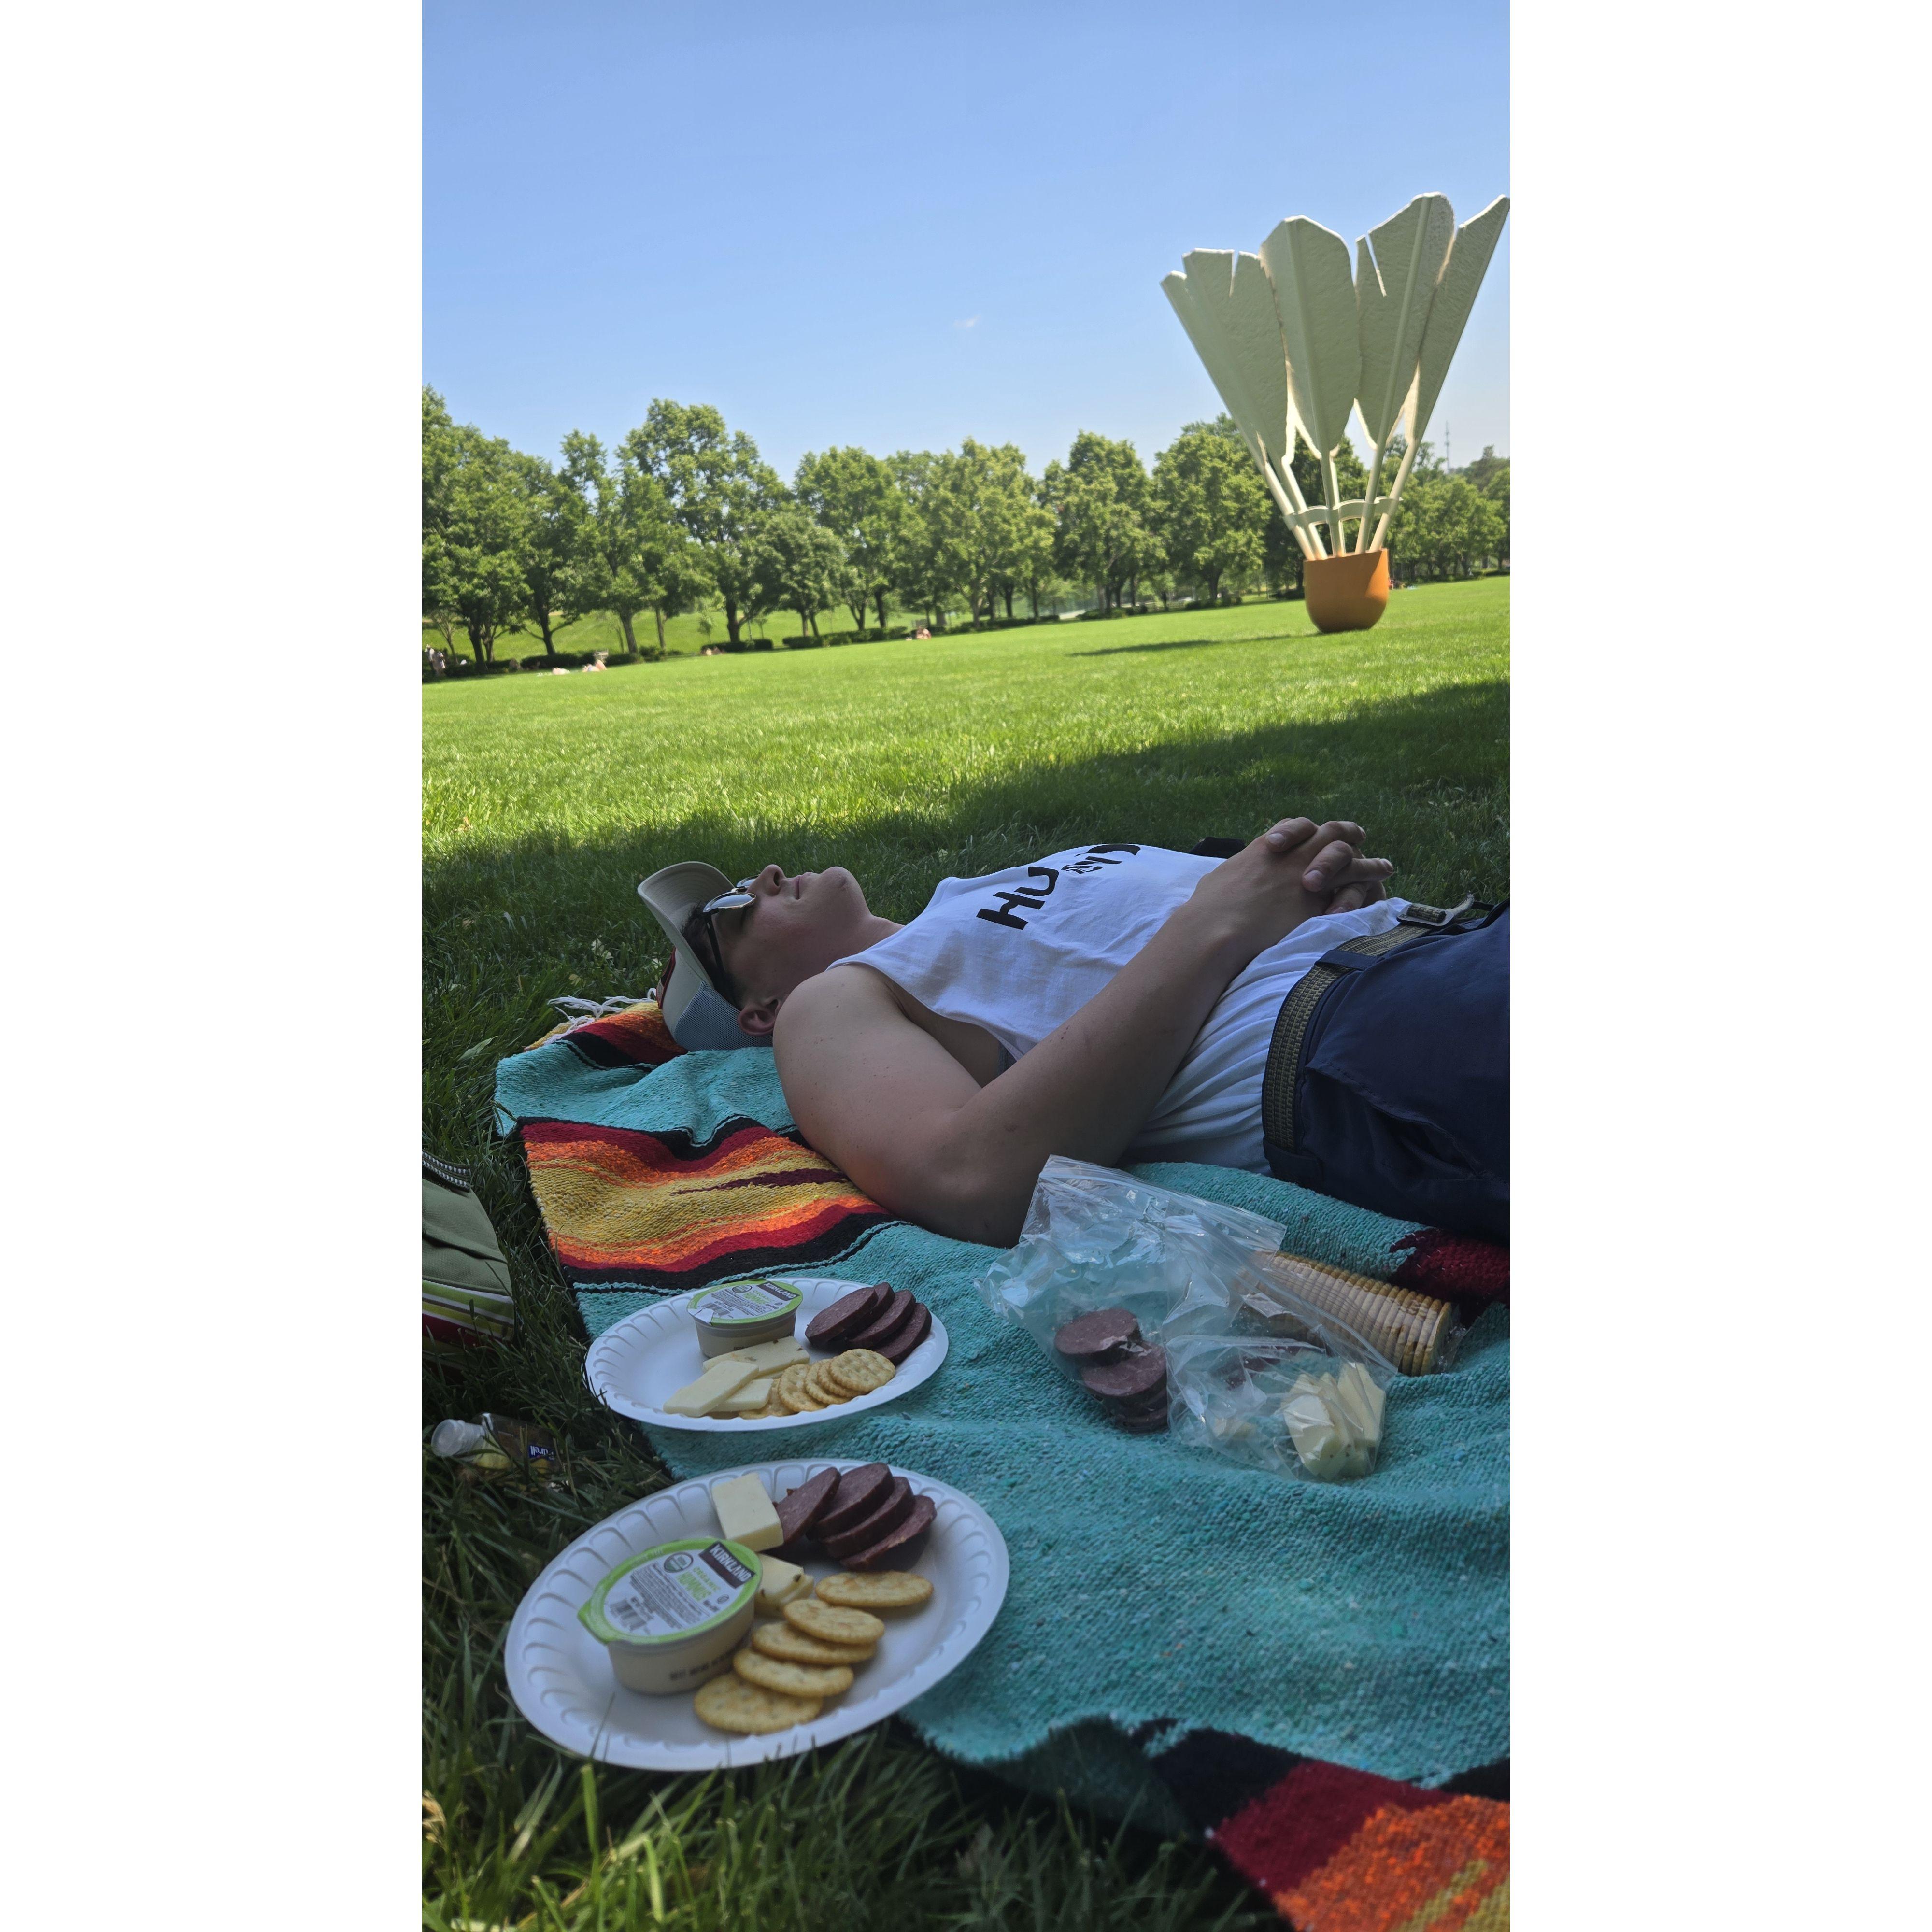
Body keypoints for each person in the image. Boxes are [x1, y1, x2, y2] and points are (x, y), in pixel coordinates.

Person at [638, 819, 1506, 1249]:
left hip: (1446, 952)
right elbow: (967, 1180)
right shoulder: (830, 1004)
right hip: (1360, 1038)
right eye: (727, 915)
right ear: (759, 1011)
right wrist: (1216, 924)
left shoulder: (960, 901)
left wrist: (1311, 886)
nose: (763, 877)